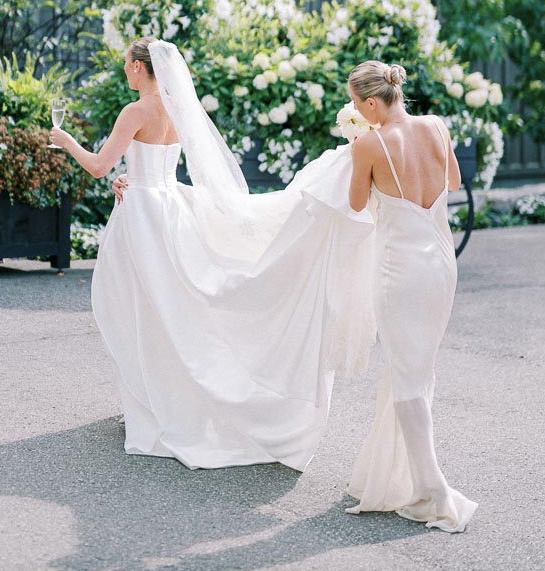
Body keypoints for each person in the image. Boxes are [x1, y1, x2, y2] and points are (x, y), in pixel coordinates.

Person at [50, 37, 375, 471]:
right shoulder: (175, 108)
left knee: (144, 310)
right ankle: (162, 397)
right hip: (167, 206)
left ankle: (156, 401)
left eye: (128, 65)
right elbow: (156, 165)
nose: (125, 71)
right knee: (172, 310)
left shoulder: (135, 111)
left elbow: (98, 165)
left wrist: (66, 140)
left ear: (140, 69)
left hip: (143, 215)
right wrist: (131, 178)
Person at [344, 60, 476, 533]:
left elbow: (357, 204)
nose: (359, 113)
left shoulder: (369, 144)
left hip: (400, 271)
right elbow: (454, 183)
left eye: (359, 105)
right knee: (418, 371)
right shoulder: (436, 126)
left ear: (374, 102)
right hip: (441, 264)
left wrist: (358, 156)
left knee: (406, 378)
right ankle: (411, 478)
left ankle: (433, 490)